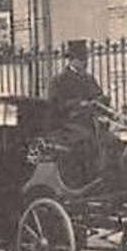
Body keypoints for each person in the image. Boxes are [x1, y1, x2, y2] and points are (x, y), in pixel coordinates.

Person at [45, 39, 110, 186]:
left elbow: (98, 95)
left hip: (90, 123)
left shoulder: (89, 78)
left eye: (85, 59)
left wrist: (102, 100)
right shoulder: (59, 81)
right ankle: (84, 180)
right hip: (66, 125)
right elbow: (55, 105)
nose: (84, 63)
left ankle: (106, 177)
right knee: (86, 139)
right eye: (81, 59)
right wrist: (80, 104)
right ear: (72, 60)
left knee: (111, 140)